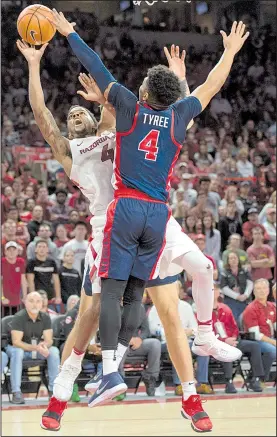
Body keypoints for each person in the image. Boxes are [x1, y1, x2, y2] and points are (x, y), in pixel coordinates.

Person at [18, 35, 246, 432]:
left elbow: (147, 102)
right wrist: (34, 66)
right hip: (110, 224)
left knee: (173, 309)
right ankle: (62, 392)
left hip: (152, 216)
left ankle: (191, 395)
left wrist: (170, 82)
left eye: (78, 112)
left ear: (94, 112)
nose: (74, 116)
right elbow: (41, 111)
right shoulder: (71, 152)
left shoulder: (111, 123)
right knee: (91, 310)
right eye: (69, 117)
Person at [148, 293, 213, 396]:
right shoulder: (156, 307)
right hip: (166, 342)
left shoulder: (185, 306)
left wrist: (189, 331)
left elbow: (195, 328)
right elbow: (153, 329)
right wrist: (172, 333)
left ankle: (202, 383)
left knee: (203, 346)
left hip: (187, 340)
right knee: (178, 345)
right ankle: (180, 384)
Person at [5, 292, 60, 404]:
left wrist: (44, 346)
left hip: (36, 349)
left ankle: (53, 391)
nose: (35, 304)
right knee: (18, 352)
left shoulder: (45, 317)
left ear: (42, 304)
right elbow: (16, 342)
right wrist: (37, 347)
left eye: (38, 301)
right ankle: (16, 392)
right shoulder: (19, 317)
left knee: (54, 351)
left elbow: (49, 340)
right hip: (17, 350)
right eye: (31, 301)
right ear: (25, 302)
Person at [212, 286, 266, 394]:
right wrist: (224, 340)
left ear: (218, 293)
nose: (212, 293)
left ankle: (255, 379)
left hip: (232, 340)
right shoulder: (203, 311)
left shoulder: (225, 308)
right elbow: (206, 332)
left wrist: (233, 338)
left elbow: (234, 327)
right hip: (216, 343)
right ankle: (229, 382)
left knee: (254, 346)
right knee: (226, 349)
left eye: (214, 290)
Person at [118, 304, 162, 396]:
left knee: (155, 343)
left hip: (135, 344)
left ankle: (150, 378)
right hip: (117, 343)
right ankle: (119, 382)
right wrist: (125, 339)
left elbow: (146, 330)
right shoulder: (111, 305)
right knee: (121, 346)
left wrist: (140, 338)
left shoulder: (139, 307)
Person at [243, 279, 276, 381]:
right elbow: (256, 335)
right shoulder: (251, 308)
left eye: (264, 288)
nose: (262, 291)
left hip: (270, 339)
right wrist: (273, 342)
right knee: (272, 351)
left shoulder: (272, 306)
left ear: (268, 290)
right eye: (258, 288)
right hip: (255, 341)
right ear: (254, 292)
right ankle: (260, 378)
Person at [220, 251, 253, 322]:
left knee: (247, 319)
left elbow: (250, 283)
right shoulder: (224, 272)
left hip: (245, 299)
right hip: (231, 300)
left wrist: (246, 295)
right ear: (228, 261)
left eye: (235, 258)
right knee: (234, 319)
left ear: (238, 259)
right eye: (231, 258)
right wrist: (237, 296)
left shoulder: (245, 271)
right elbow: (223, 288)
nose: (233, 260)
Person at [1, 241, 27, 316]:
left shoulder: (20, 262)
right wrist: (2, 298)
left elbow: (23, 280)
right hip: (4, 300)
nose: (11, 252)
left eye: (14, 250)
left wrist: (25, 297)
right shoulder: (2, 262)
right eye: (9, 250)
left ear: (17, 252)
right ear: (5, 252)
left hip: (16, 299)